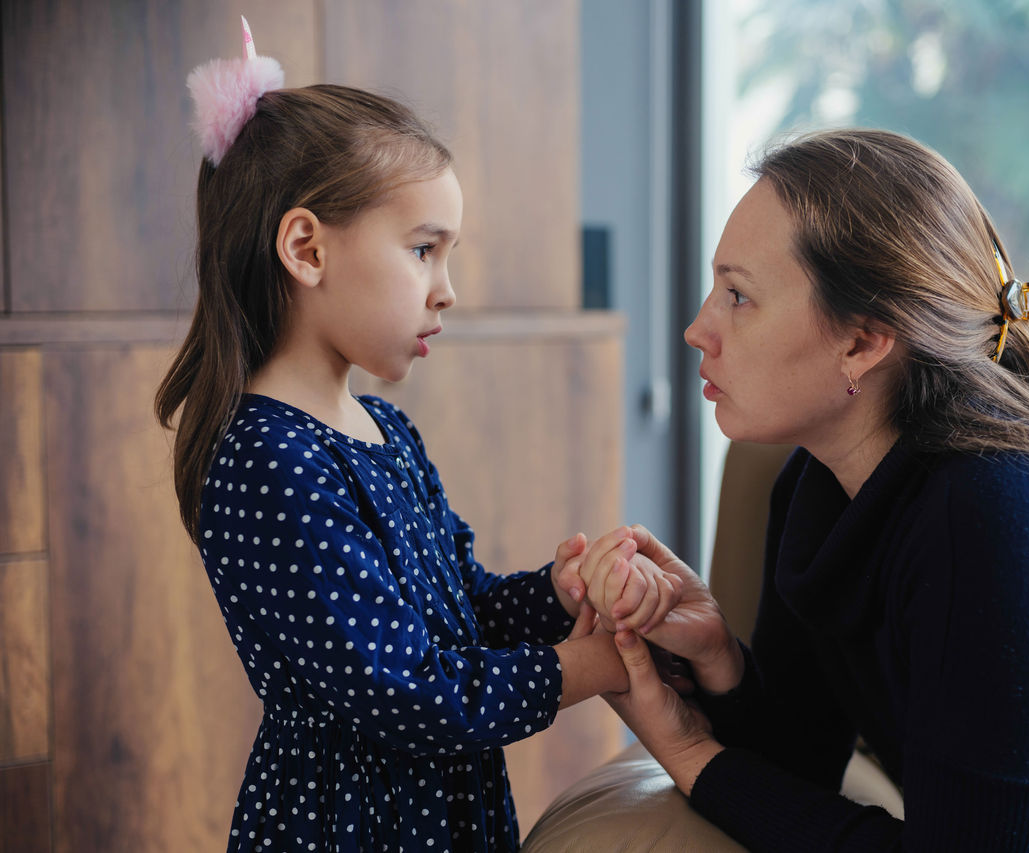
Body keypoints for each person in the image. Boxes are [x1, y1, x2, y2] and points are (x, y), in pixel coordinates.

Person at [563, 129, 1029, 851]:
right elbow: (801, 762)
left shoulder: (998, 514)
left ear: (864, 342)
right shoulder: (817, 484)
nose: (697, 329)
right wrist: (718, 656)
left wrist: (692, 758)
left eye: (739, 296)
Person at [154, 22, 679, 852]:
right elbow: (406, 689)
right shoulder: (267, 462)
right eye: (423, 250)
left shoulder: (384, 430)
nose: (448, 290)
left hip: (438, 813)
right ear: (305, 247)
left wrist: (559, 591)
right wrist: (588, 669)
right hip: (351, 826)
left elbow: (455, 615)